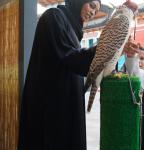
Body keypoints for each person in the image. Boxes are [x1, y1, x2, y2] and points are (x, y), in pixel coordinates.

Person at [18, 0, 101, 150]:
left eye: (96, 11)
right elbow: (71, 58)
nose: (93, 13)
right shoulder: (54, 17)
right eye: (92, 6)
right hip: (51, 112)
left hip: (66, 109)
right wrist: (107, 45)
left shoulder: (74, 33)